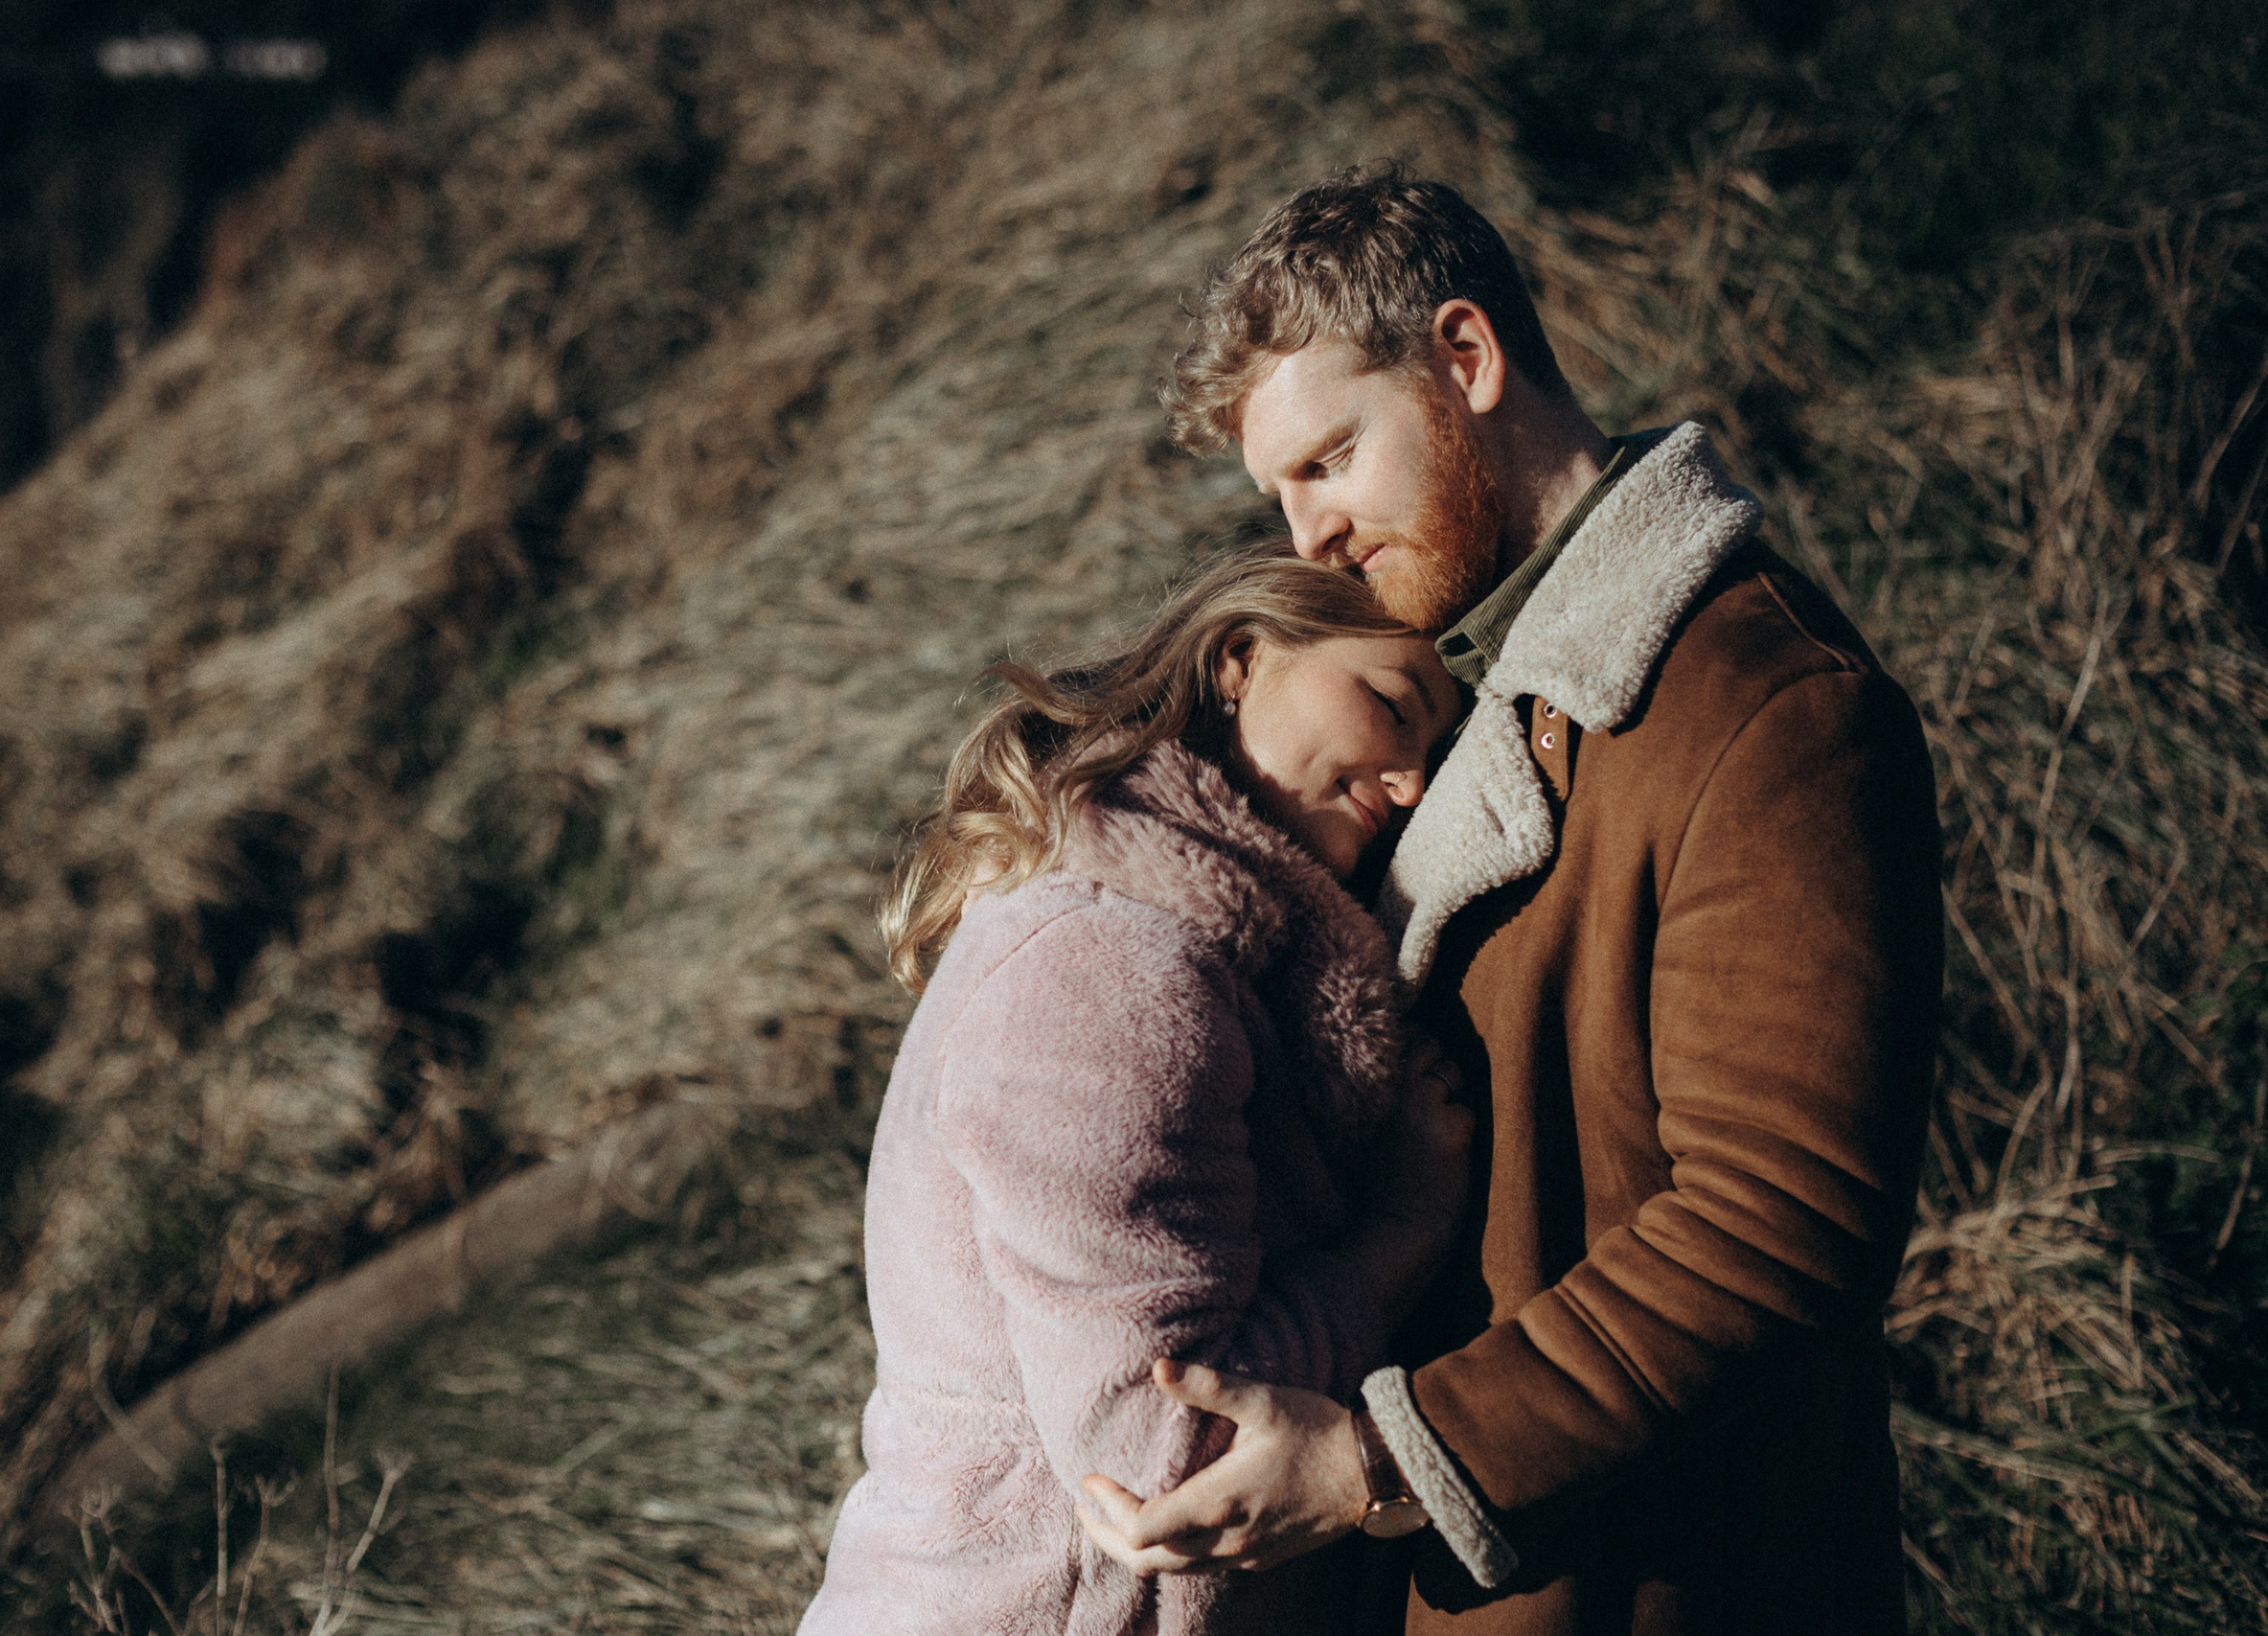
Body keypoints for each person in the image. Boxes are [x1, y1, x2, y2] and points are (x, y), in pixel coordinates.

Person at [1077, 164, 1943, 1635]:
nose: (1310, 539)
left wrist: (1381, 1455)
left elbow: (1782, 1219)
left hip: (1656, 1577)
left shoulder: (1771, 706)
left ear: (1465, 360)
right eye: (1283, 492)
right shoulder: (1447, 695)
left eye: (1329, 459)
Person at [799, 548, 1478, 1634]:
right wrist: (1404, 1229)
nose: (1414, 784)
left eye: (1439, 750)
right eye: (1392, 708)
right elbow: (1169, 1450)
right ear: (1241, 660)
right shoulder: (1110, 968)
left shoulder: (1190, 944)